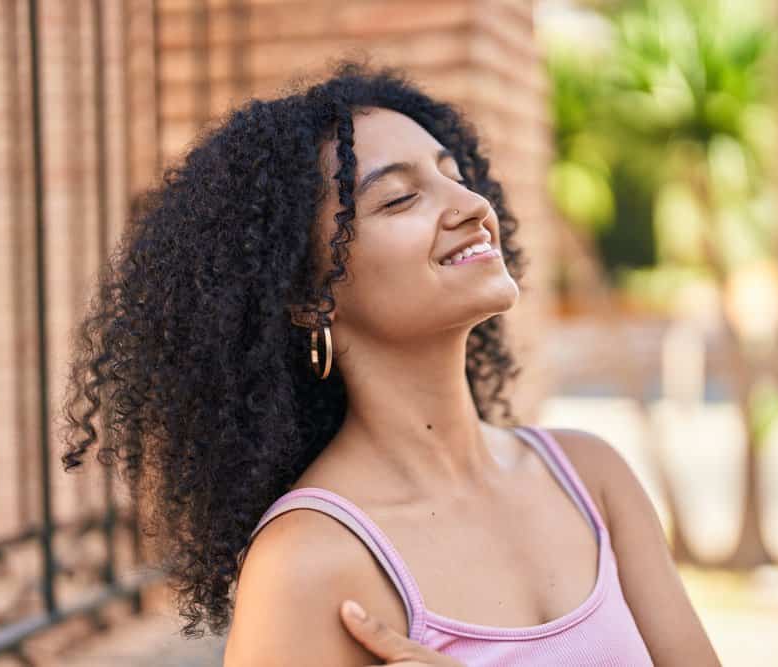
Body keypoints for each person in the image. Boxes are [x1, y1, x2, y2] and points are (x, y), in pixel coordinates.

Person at [60, 57, 721, 666]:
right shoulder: (308, 563)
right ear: (308, 293)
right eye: (400, 198)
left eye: (455, 177)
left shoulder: (591, 475)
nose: (472, 208)